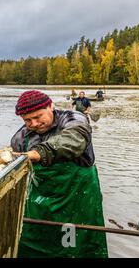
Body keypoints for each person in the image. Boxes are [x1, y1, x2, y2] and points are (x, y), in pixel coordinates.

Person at [11, 90, 108, 258]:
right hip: (41, 203)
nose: (34, 123)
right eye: (27, 120)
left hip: (77, 202)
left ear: (51, 106)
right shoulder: (20, 138)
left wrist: (40, 152)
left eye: (38, 116)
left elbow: (74, 139)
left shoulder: (73, 120)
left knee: (74, 248)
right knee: (31, 243)